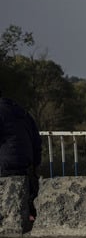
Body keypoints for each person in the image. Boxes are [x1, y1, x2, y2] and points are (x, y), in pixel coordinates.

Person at [0, 90, 42, 221]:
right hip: (25, 167)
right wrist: (34, 166)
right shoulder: (22, 112)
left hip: (4, 166)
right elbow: (36, 142)